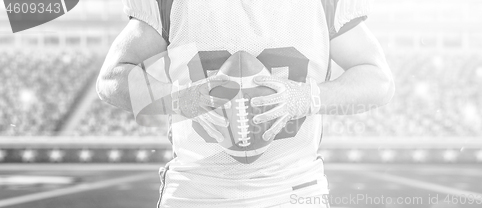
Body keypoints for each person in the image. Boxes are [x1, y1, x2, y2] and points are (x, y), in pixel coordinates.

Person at [96, 0, 394, 207]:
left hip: (293, 190)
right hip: (196, 191)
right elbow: (111, 78)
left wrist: (307, 98)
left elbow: (379, 81)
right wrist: (177, 99)